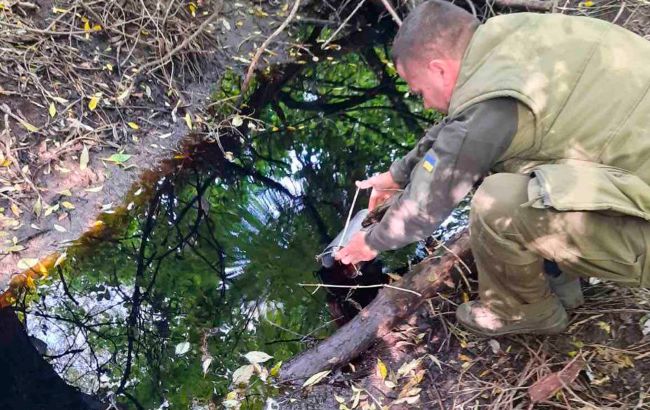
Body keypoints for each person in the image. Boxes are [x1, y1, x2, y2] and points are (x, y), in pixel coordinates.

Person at [334, 0, 650, 336]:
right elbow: (458, 128)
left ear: (439, 69)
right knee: (513, 163)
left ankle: (523, 312)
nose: (424, 102)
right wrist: (397, 175)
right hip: (629, 155)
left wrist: (369, 242)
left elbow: (423, 209)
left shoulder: (488, 107)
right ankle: (558, 271)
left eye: (419, 91)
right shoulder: (509, 35)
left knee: (494, 202)